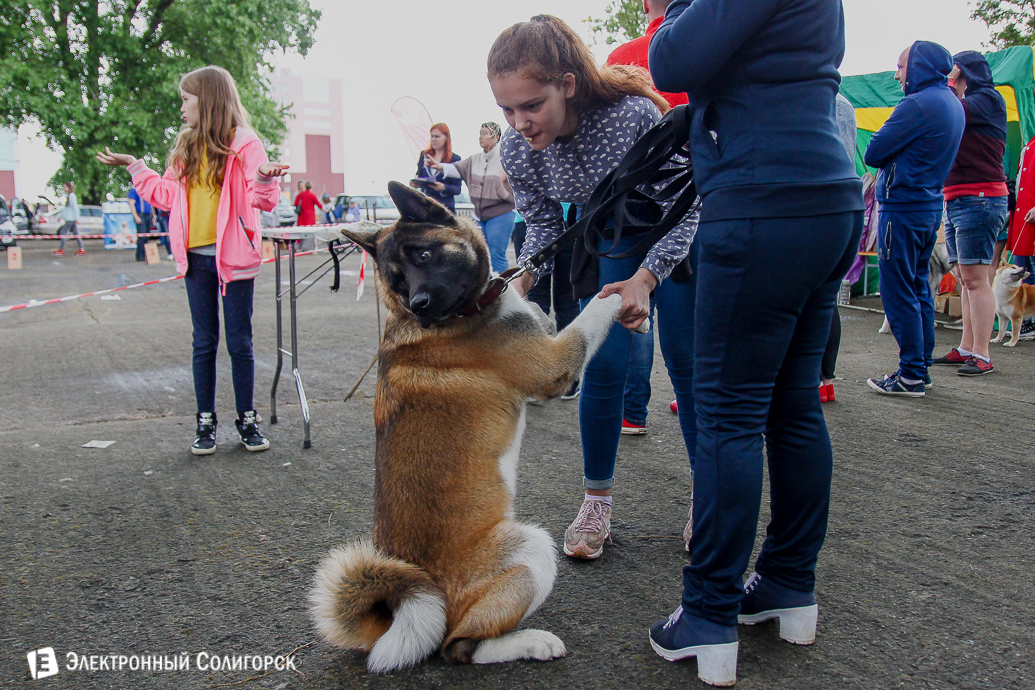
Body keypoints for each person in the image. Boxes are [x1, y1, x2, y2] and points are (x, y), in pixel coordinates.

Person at [647, 0, 864, 684]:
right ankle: (787, 584)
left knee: (728, 415)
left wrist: (673, 9)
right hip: (827, 197)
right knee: (792, 405)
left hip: (761, 200)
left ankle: (708, 615)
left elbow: (670, 61)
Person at [489, 14, 698, 561]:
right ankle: (596, 500)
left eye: (531, 106)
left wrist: (648, 278)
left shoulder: (630, 115)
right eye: (507, 110)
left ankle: (709, 494)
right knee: (601, 364)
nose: (519, 123)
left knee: (688, 364)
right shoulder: (517, 149)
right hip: (609, 238)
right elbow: (545, 226)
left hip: (673, 228)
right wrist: (523, 275)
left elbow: (687, 201)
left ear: (567, 85)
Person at [96, 64, 287, 455]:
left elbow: (263, 199)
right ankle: (205, 423)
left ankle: (247, 420)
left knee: (240, 342)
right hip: (195, 260)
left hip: (235, 259)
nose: (182, 107)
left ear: (209, 100)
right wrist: (135, 166)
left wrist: (266, 176)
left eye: (186, 99)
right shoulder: (186, 146)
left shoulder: (245, 143)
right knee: (204, 342)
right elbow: (165, 196)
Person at [605, 0, 689, 432]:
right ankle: (693, 406)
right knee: (686, 334)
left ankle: (632, 411)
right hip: (694, 198)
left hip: (632, 212)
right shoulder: (705, 47)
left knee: (634, 312)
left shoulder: (622, 58)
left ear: (643, 5)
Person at [864, 43, 965, 396]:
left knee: (898, 291)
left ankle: (910, 375)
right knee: (919, 287)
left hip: (902, 207)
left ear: (918, 66)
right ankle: (920, 369)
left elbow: (873, 152)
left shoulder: (917, 104)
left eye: (901, 66)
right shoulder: (951, 102)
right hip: (928, 206)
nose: (897, 75)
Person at [929, 51, 1009, 376]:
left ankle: (982, 354)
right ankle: (966, 348)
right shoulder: (972, 102)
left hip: (980, 197)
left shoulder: (987, 98)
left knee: (976, 279)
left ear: (965, 73)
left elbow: (950, 110)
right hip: (960, 198)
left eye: (955, 72)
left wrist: (948, 81)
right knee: (965, 278)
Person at [429, 122, 516, 274]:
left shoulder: (506, 159)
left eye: (485, 133)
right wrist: (439, 166)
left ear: (496, 137)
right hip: (478, 215)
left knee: (497, 254)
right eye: (480, 133)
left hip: (501, 213)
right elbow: (457, 168)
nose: (481, 137)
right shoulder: (474, 159)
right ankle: (484, 285)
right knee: (478, 254)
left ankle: (503, 285)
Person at [820, 92, 860, 403]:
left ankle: (806, 381)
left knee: (803, 299)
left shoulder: (807, 93)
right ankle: (825, 380)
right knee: (826, 298)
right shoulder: (844, 102)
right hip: (846, 204)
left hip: (812, 203)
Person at [1007, 133, 1035, 339]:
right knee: (1023, 270)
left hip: (1030, 214)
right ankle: (1025, 319)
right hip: (1023, 216)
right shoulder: (1030, 143)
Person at [409, 123, 461, 212]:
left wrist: (443, 187)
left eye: (437, 136)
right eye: (432, 136)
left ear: (446, 138)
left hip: (445, 208)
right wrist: (415, 183)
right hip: (426, 206)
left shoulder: (454, 159)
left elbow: (457, 189)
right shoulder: (424, 155)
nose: (433, 139)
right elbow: (419, 175)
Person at [52, 181, 84, 257]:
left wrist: (77, 218)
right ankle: (81, 249)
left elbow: (74, 207)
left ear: (68, 187)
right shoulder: (69, 196)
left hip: (70, 219)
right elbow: (66, 209)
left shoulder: (71, 196)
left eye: (65, 187)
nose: (64, 188)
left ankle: (61, 250)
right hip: (71, 218)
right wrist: (59, 216)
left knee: (62, 232)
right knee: (76, 234)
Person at [129, 185, 154, 261]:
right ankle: (140, 255)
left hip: (148, 215)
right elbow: (131, 204)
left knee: (147, 236)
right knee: (142, 236)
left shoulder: (147, 191)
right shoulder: (134, 191)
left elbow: (151, 204)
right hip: (140, 214)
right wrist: (136, 216)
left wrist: (153, 216)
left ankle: (146, 254)